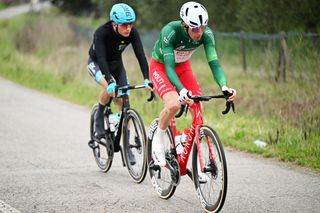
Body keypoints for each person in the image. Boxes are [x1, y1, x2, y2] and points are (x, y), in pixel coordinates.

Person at [150, 1, 237, 166]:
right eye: (195, 28)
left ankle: (197, 160)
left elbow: (214, 63)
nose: (200, 32)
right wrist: (181, 90)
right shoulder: (170, 31)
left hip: (183, 67)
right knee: (174, 104)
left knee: (197, 105)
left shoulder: (206, 34)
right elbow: (169, 68)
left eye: (203, 27)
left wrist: (224, 86)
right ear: (184, 24)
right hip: (161, 67)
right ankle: (158, 140)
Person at [87, 3, 152, 162]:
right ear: (115, 23)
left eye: (131, 24)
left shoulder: (132, 32)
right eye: (124, 25)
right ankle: (99, 118)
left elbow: (141, 55)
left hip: (117, 64)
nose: (128, 28)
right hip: (97, 63)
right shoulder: (101, 33)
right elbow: (101, 59)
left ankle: (126, 144)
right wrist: (109, 81)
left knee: (124, 99)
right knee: (111, 87)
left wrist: (146, 78)